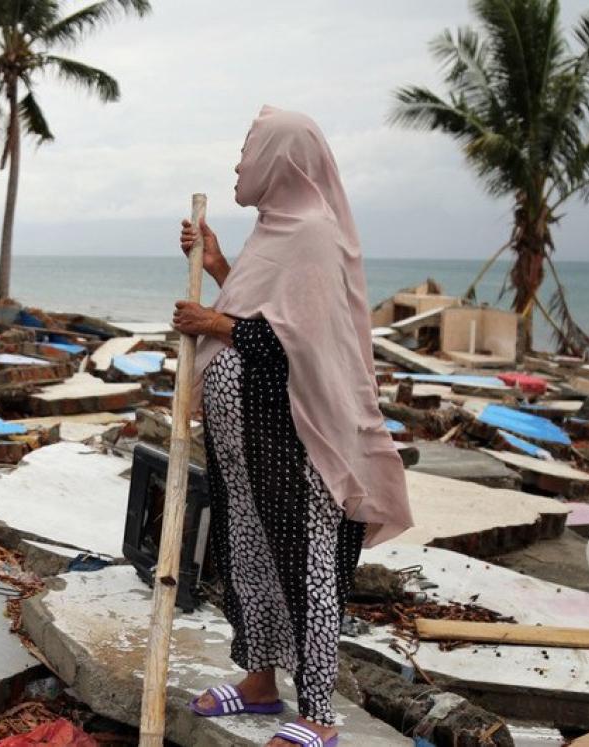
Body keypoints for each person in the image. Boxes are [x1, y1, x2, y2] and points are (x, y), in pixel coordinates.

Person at [170, 106, 414, 747]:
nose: (237, 164)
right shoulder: (275, 232)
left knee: (306, 562)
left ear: (280, 159)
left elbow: (299, 342)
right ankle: (258, 682)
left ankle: (319, 716)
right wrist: (222, 269)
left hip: (292, 435)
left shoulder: (311, 233)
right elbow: (267, 309)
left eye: (248, 150)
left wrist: (211, 323)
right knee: (245, 551)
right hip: (241, 438)